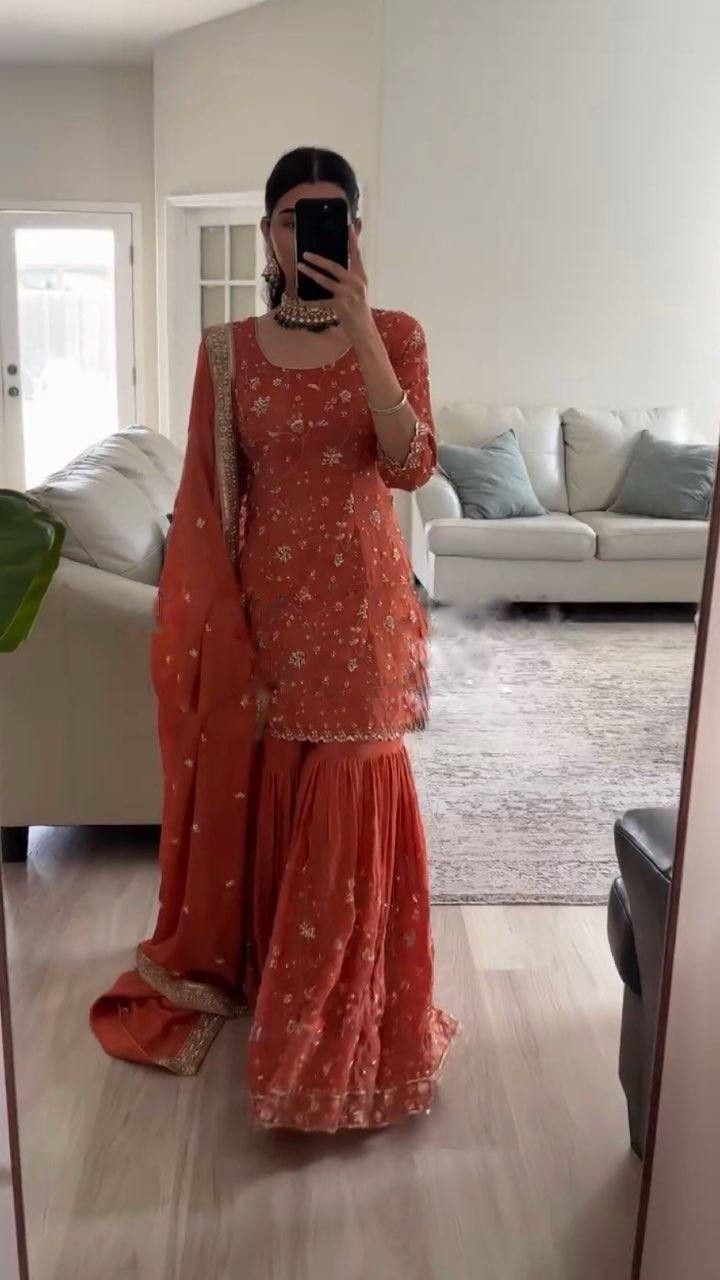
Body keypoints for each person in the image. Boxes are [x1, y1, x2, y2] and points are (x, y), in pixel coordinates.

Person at [90, 146, 460, 1132]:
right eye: (295, 217)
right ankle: (274, 971)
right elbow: (214, 500)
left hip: (364, 615)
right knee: (277, 790)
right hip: (268, 616)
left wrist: (362, 334)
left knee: (349, 791)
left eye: (331, 215)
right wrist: (218, 626)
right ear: (268, 233)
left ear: (357, 231)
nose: (311, 233)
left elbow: (411, 465)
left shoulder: (398, 334)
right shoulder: (227, 352)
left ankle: (336, 1020)